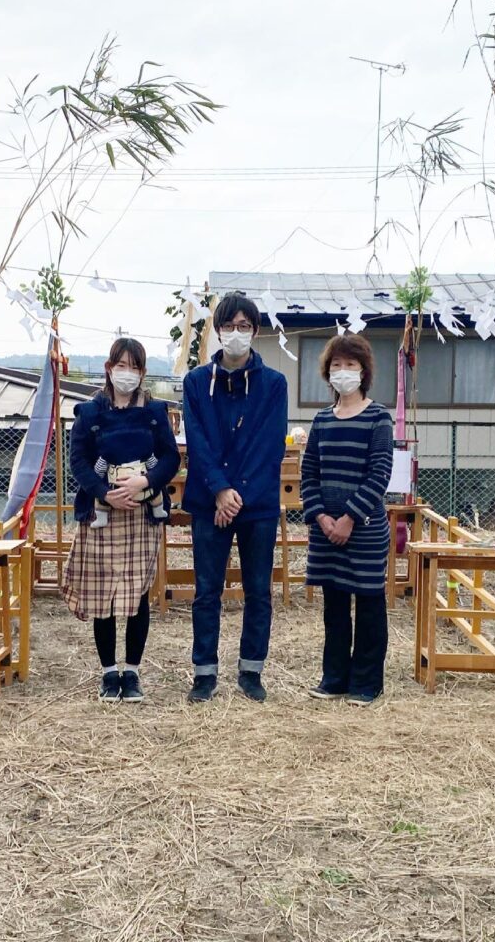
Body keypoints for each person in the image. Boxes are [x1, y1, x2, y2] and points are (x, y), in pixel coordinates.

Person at [182, 291, 288, 703]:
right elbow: (199, 442)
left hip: (256, 504)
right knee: (207, 590)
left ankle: (251, 670)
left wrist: (237, 494)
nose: (237, 334)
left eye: (245, 327)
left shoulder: (274, 384)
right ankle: (204, 673)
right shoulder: (195, 383)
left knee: (258, 590)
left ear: (255, 332)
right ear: (218, 330)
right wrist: (220, 490)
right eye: (229, 326)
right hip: (209, 502)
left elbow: (268, 445)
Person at [62, 338, 180, 702]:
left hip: (142, 513)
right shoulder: (90, 412)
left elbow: (171, 458)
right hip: (102, 512)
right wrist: (103, 492)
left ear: (142, 372)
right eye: (121, 365)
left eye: (134, 366)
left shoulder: (155, 412)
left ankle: (133, 672)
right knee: (103, 596)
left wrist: (147, 481)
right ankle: (108, 672)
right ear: (108, 368)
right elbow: (78, 461)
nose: (126, 372)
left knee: (136, 593)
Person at [300, 334, 393, 706]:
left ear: (364, 371)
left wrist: (350, 518)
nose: (343, 372)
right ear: (327, 372)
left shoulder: (378, 416)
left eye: (350, 365)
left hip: (365, 531)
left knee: (369, 604)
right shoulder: (322, 419)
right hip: (325, 532)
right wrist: (321, 516)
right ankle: (334, 677)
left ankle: (367, 682)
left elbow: (379, 472)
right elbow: (309, 473)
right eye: (336, 365)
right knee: (334, 606)